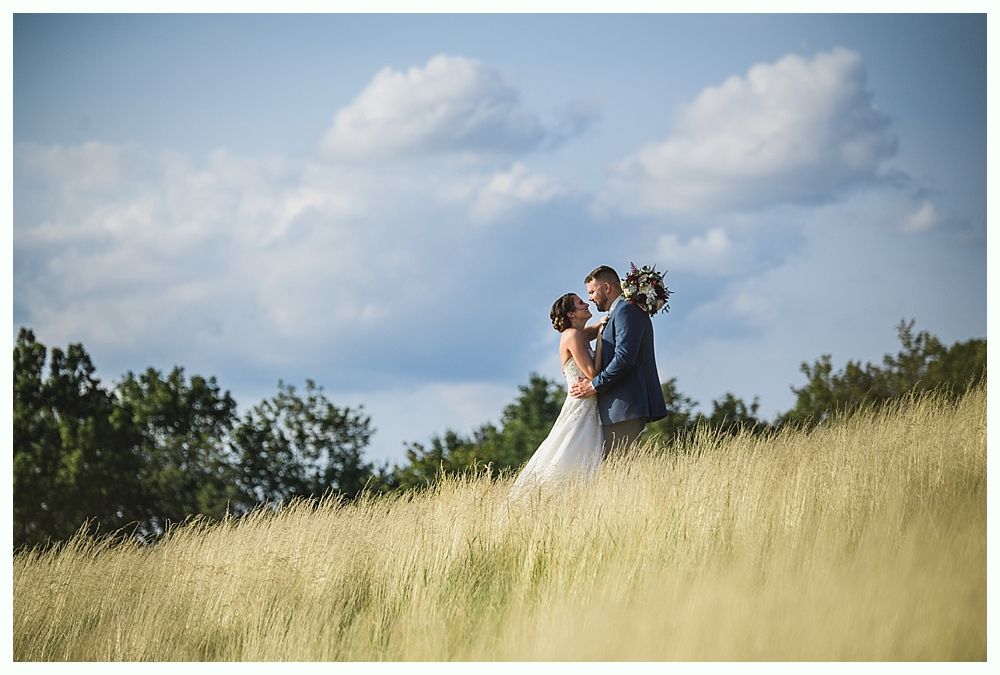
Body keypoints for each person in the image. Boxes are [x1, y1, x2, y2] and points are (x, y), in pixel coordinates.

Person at [509, 293, 604, 498]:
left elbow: (593, 331)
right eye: (580, 303)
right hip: (582, 404)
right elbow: (592, 374)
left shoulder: (576, 333)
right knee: (571, 453)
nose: (586, 303)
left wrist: (603, 324)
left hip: (586, 403)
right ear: (571, 314)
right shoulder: (572, 335)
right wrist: (602, 346)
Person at [569, 265, 667, 458]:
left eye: (591, 292)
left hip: (624, 407)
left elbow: (624, 358)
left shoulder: (626, 311)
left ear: (606, 288)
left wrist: (594, 385)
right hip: (618, 409)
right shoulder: (618, 313)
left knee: (619, 469)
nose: (590, 298)